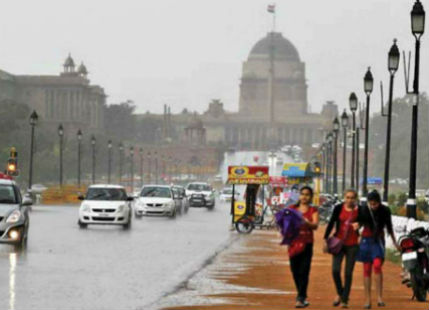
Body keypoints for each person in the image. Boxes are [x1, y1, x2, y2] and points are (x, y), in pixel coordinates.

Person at [354, 190, 400, 309]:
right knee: (367, 269)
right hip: (365, 241)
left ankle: (379, 297)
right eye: (371, 203)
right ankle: (367, 299)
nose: (373, 206)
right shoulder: (364, 209)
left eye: (375, 203)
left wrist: (395, 243)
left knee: (377, 265)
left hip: (378, 241)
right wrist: (357, 235)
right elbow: (357, 224)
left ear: (379, 202)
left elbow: (389, 228)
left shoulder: (385, 211)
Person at [324, 189, 359, 308]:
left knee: (348, 273)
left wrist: (359, 225)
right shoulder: (338, 208)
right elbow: (331, 222)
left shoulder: (359, 210)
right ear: (344, 198)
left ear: (356, 199)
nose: (350, 200)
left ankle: (344, 300)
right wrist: (325, 239)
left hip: (353, 245)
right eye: (347, 197)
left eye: (352, 198)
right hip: (339, 243)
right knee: (335, 270)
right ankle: (340, 292)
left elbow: (366, 222)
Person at [288, 186, 319, 308]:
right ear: (299, 196)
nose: (304, 197)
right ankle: (302, 295)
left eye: (307, 194)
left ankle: (300, 298)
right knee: (295, 271)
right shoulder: (292, 209)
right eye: (302, 194)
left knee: (304, 271)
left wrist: (307, 223)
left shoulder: (313, 210)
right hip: (293, 244)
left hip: (307, 243)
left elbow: (315, 225)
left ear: (310, 197)